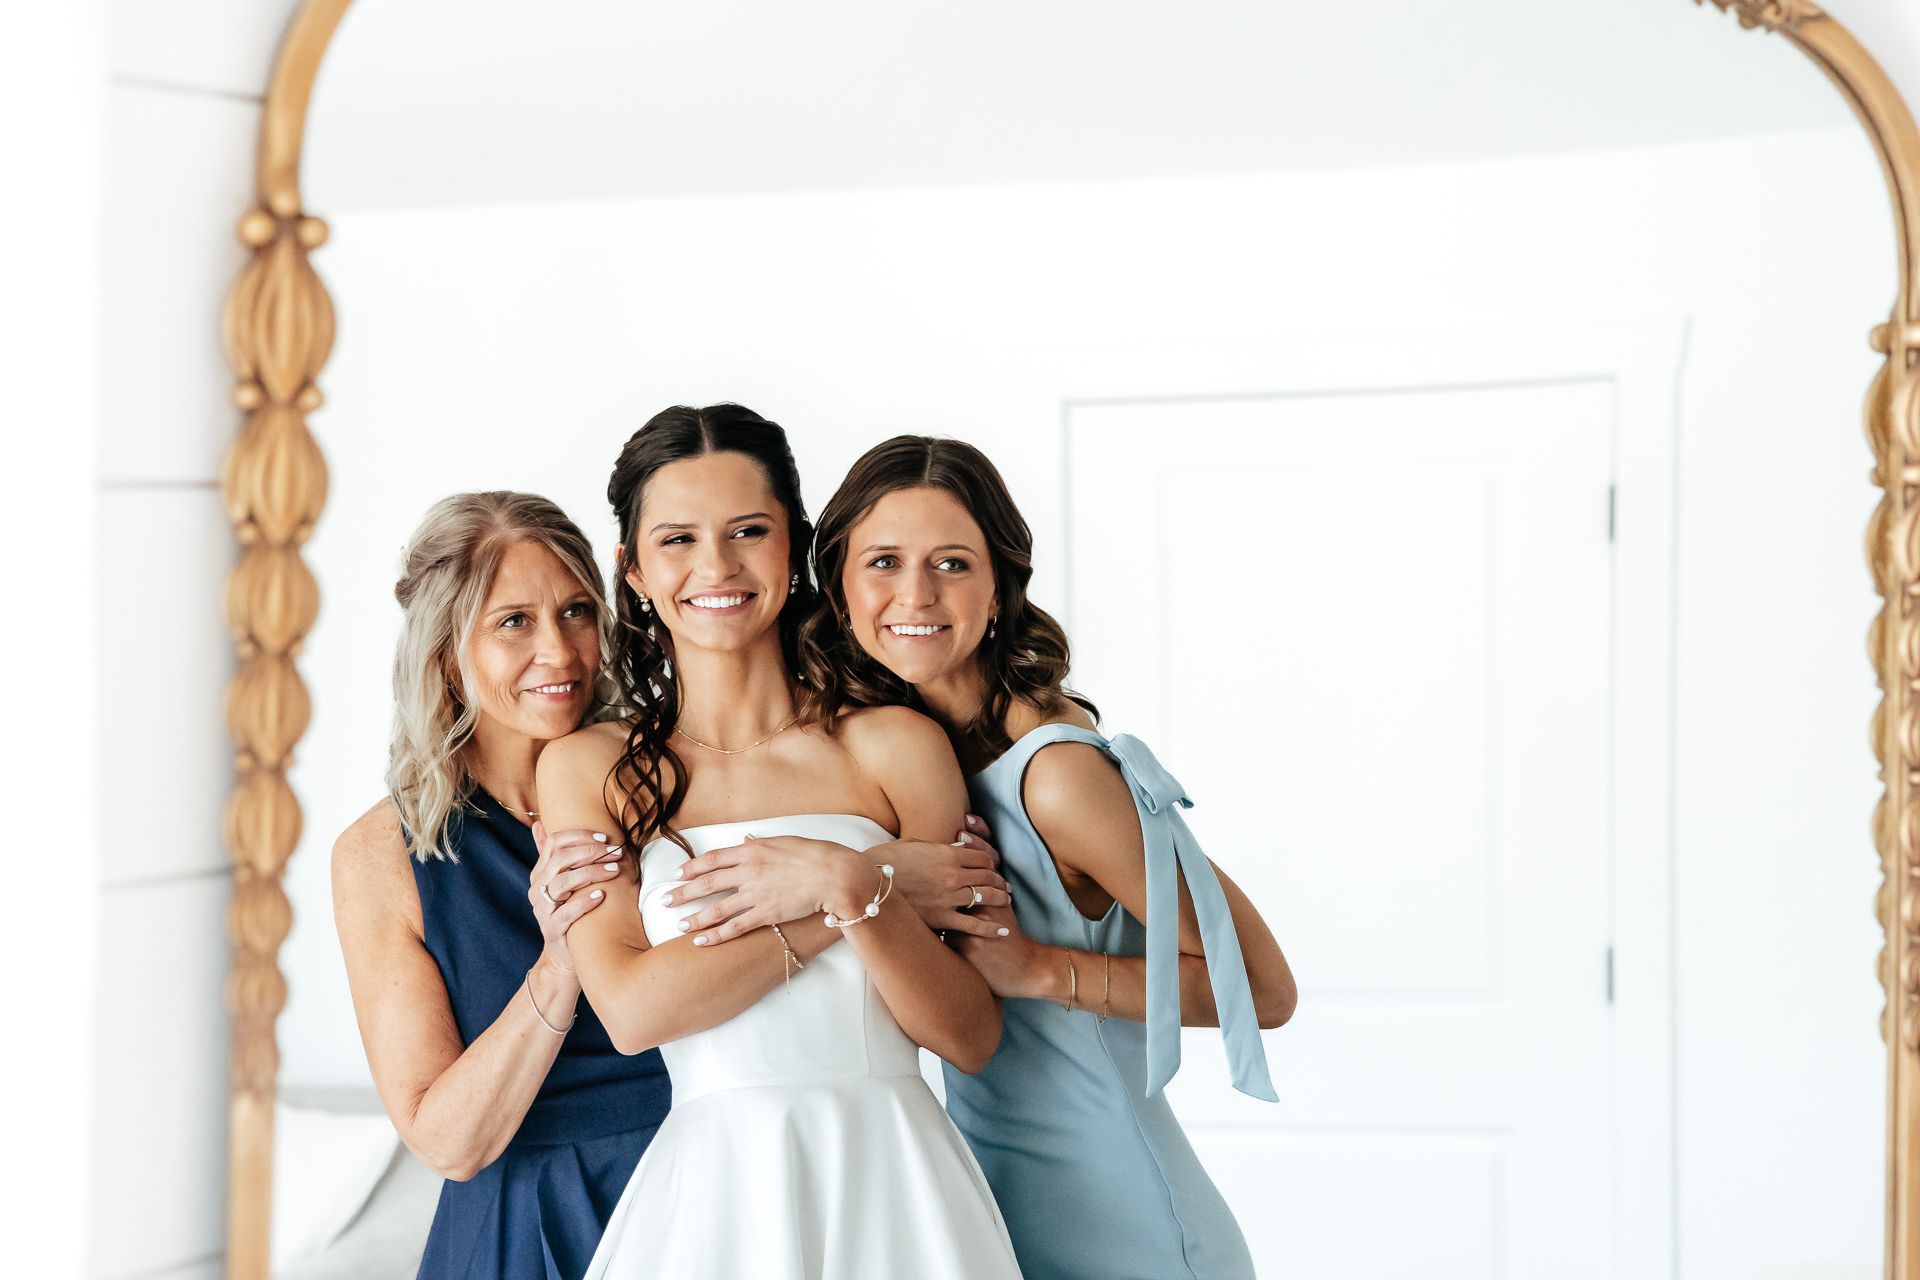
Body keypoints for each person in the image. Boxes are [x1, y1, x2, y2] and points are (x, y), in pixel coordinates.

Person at [682, 435, 1297, 1279]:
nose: (915, 594)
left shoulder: (1056, 778)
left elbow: (1262, 990)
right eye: (885, 561)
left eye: (953, 564)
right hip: (974, 1210)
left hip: (1122, 1219)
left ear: (1001, 588)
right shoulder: (898, 765)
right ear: (838, 585)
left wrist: (1041, 968)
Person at [536, 404, 1023, 1280]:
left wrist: (844, 881)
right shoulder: (590, 770)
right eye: (677, 539)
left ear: (794, 548)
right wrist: (852, 891)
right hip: (715, 1192)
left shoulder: (895, 747)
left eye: (747, 532)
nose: (715, 567)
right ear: (634, 570)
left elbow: (968, 1035)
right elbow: (636, 1012)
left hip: (894, 1180)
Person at [331, 491, 671, 1280]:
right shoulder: (382, 855)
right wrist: (558, 964)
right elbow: (448, 1144)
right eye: (513, 621)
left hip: (700, 1185)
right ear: (448, 653)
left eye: (578, 612)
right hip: (527, 1229)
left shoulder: (668, 787)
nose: (560, 651)